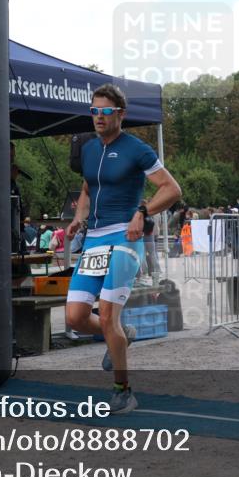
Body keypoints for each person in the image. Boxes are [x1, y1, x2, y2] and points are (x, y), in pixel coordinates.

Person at [63, 84, 181, 414]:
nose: (99, 117)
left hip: (125, 239)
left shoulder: (136, 149)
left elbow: (172, 189)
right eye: (94, 111)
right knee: (75, 317)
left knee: (107, 313)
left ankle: (123, 390)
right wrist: (79, 217)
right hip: (94, 240)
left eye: (106, 111)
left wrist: (142, 212)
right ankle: (121, 335)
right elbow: (88, 188)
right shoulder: (89, 149)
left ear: (121, 114)